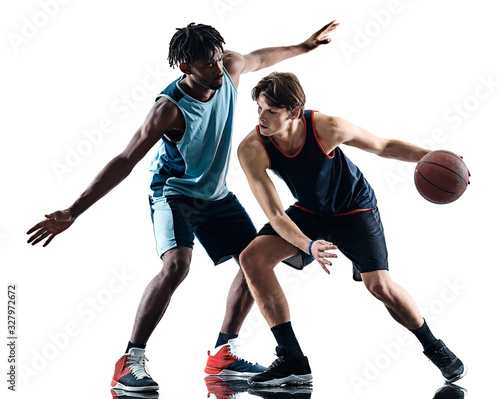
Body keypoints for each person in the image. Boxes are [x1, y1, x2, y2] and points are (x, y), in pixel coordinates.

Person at [26, 22, 339, 392]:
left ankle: (224, 351)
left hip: (216, 195)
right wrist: (74, 210)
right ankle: (130, 360)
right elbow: (125, 159)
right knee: (177, 266)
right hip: (174, 194)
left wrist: (303, 47)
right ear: (185, 68)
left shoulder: (229, 69)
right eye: (207, 64)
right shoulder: (169, 110)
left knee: (254, 259)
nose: (217, 69)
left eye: (219, 59)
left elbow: (259, 58)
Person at [237, 72, 467, 386]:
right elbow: (276, 215)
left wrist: (431, 157)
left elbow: (383, 146)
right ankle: (292, 358)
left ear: (293, 112)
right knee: (252, 258)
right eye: (258, 109)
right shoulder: (252, 148)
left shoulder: (327, 127)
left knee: (379, 287)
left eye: (270, 111)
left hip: (354, 208)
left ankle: (433, 345)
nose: (261, 118)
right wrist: (308, 245)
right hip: (310, 210)